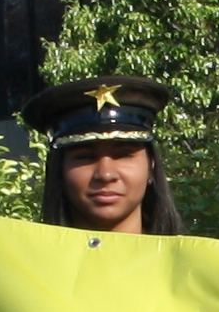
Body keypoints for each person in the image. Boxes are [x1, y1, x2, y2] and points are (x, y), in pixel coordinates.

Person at [24, 78, 190, 235]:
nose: (105, 174)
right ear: (59, 170)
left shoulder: (192, 264)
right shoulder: (28, 265)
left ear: (151, 166)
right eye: (85, 157)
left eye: (124, 155)